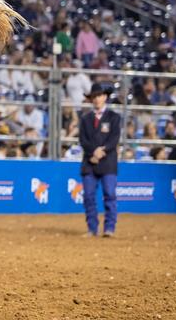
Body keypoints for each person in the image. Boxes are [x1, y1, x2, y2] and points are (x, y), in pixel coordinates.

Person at [79, 82, 121, 237]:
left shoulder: (114, 117)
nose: (97, 99)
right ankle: (92, 228)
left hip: (107, 162)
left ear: (105, 97)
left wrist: (101, 151)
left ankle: (109, 228)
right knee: (89, 196)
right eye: (94, 96)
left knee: (109, 194)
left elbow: (114, 138)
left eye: (100, 96)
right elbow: (83, 140)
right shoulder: (85, 119)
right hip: (90, 162)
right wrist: (93, 152)